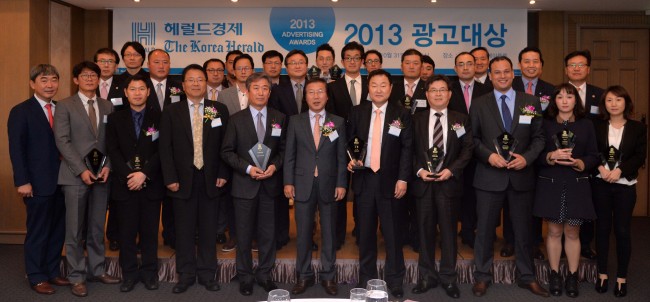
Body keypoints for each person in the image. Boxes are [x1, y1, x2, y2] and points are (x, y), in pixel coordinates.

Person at [469, 56, 547, 298]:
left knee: (523, 231)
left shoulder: (530, 101)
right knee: (484, 231)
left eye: (506, 72)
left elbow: (539, 138)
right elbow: (472, 139)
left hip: (520, 175)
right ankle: (482, 276)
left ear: (512, 74)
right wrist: (487, 156)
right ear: (490, 75)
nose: (502, 76)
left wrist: (527, 158)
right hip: (489, 176)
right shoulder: (479, 103)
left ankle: (527, 276)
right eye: (497, 72)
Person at [159, 64, 230, 294]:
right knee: (184, 231)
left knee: (210, 231)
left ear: (206, 82)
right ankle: (186, 274)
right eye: (191, 80)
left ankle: (208, 274)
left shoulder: (218, 109)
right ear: (183, 85)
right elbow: (165, 148)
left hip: (211, 179)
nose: (196, 84)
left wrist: (222, 173)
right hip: (181, 180)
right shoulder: (171, 111)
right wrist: (169, 177)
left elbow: (225, 146)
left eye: (200, 79)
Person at [54, 61, 118, 297]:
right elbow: (62, 140)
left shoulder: (107, 105)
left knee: (96, 225)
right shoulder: (64, 105)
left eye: (94, 75)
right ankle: (77, 276)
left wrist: (108, 166)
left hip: (102, 175)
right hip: (74, 176)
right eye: (85, 75)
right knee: (74, 229)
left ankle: (97, 269)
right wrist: (81, 169)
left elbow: (112, 140)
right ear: (75, 79)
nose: (90, 79)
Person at [347, 69, 412, 299]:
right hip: (365, 180)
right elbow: (350, 142)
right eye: (374, 85)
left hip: (391, 182)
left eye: (383, 85)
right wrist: (351, 160)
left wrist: (403, 178)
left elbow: (407, 149)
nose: (378, 89)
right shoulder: (357, 112)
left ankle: (395, 280)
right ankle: (367, 279)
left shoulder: (401, 114)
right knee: (365, 234)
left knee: (393, 234)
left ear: (391, 88)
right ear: (368, 88)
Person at [221, 72, 286, 296]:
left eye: (265, 88)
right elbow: (227, 151)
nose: (260, 92)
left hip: (269, 186)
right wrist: (248, 169)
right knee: (244, 234)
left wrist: (273, 167)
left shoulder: (279, 117)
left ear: (270, 92)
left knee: (268, 234)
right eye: (256, 88)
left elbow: (284, 151)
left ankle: (265, 274)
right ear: (247, 92)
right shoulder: (236, 119)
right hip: (243, 186)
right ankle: (246, 276)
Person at [8, 64, 69, 295]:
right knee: (38, 231)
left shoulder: (61, 109)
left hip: (62, 182)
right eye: (44, 80)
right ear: (33, 83)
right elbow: (17, 149)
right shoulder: (21, 111)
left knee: (57, 230)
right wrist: (22, 181)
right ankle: (36, 276)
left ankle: (52, 271)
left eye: (54, 79)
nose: (50, 84)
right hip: (35, 183)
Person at [533, 83, 599, 297]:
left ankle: (572, 275)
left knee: (572, 232)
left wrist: (580, 162)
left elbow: (594, 156)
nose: (564, 100)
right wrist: (551, 157)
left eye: (568, 96)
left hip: (576, 184)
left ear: (575, 101)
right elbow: (536, 153)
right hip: (551, 184)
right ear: (554, 101)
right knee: (553, 231)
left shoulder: (586, 125)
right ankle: (554, 274)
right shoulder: (545, 123)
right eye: (559, 96)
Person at [411, 75, 473, 299]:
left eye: (442, 90)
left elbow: (468, 149)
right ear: (426, 95)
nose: (438, 94)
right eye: (433, 90)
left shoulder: (460, 119)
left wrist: (452, 170)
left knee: (448, 234)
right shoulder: (416, 119)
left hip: (449, 185)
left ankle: (448, 278)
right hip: (423, 184)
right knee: (424, 232)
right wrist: (419, 171)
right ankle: (426, 276)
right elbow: (408, 150)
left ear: (449, 94)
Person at [284, 78, 347, 296]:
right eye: (311, 92)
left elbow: (341, 157)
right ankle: (304, 276)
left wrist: (341, 183)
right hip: (302, 184)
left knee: (329, 233)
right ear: (305, 96)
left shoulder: (337, 122)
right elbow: (289, 155)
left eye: (321, 92)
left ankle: (328, 276)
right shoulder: (295, 121)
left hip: (330, 184)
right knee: (303, 234)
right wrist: (288, 182)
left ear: (327, 96)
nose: (316, 96)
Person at [106, 74, 164, 292]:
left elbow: (163, 150)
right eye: (133, 89)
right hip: (125, 184)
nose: (137, 93)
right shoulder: (115, 119)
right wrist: (130, 175)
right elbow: (113, 150)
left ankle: (150, 273)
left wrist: (144, 174)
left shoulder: (160, 117)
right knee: (126, 233)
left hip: (151, 183)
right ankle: (129, 274)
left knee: (150, 233)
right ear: (126, 92)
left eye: (142, 89)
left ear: (148, 92)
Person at [592, 85, 647, 298]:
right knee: (603, 229)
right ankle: (603, 273)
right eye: (609, 100)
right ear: (604, 104)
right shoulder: (596, 125)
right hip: (600, 183)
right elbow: (592, 151)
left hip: (625, 186)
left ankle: (621, 277)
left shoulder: (637, 128)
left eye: (618, 100)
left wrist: (621, 171)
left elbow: (640, 156)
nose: (614, 104)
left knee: (622, 231)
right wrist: (600, 168)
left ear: (626, 103)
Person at [505, 46, 556, 260]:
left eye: (535, 61)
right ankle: (510, 241)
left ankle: (534, 242)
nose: (531, 65)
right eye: (526, 61)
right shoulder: (509, 85)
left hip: (541, 153)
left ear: (542, 65)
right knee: (509, 199)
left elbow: (552, 122)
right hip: (512, 154)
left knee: (535, 200)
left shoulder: (551, 90)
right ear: (519, 65)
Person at [326, 41, 367, 250]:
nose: (352, 61)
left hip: (367, 150)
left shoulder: (373, 84)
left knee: (363, 193)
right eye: (348, 58)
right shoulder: (332, 88)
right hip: (339, 148)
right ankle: (337, 236)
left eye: (356, 57)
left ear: (362, 61)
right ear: (342, 62)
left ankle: (362, 233)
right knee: (339, 192)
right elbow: (329, 120)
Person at [448, 52, 490, 249]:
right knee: (454, 193)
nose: (465, 68)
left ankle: (469, 230)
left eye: (469, 64)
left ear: (476, 67)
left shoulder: (487, 89)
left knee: (474, 193)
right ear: (455, 68)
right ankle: (448, 231)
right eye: (461, 64)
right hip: (453, 151)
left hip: (480, 150)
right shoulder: (447, 89)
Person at [564, 49, 604, 260]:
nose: (577, 68)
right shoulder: (557, 93)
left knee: (587, 203)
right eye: (572, 65)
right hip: (562, 159)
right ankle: (563, 244)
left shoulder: (601, 94)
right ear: (566, 69)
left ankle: (586, 244)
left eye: (581, 65)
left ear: (588, 69)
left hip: (589, 158)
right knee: (562, 204)